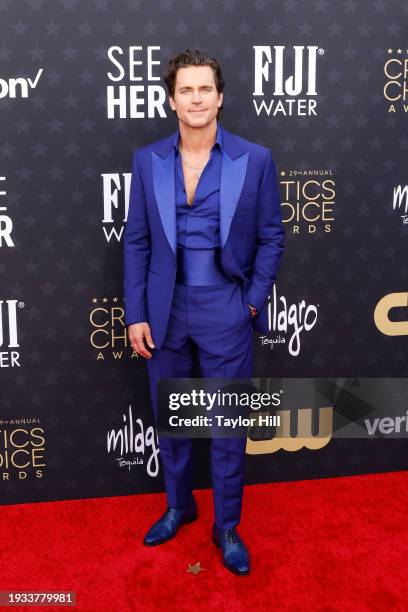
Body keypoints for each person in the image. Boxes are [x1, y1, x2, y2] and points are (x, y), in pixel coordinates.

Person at [123, 48, 285, 576]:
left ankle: (227, 525)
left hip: (226, 307)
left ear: (221, 97)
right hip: (164, 310)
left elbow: (271, 237)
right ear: (171, 100)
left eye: (205, 89)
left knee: (225, 425)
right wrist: (136, 312)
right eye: (185, 90)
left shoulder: (254, 159)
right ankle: (178, 505)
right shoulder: (147, 161)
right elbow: (137, 241)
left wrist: (253, 303)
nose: (196, 98)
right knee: (172, 420)